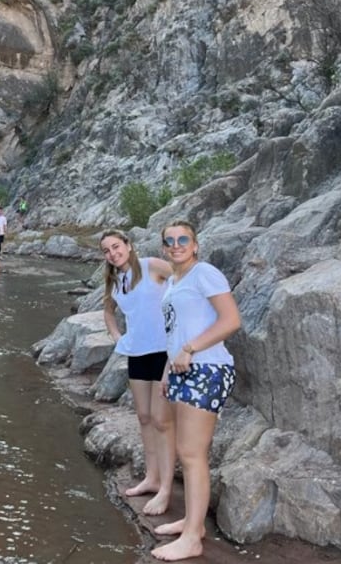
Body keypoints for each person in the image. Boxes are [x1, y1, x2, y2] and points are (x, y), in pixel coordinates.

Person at [151, 220, 241, 562]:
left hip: (209, 368)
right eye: (169, 241)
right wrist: (166, 371)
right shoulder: (174, 281)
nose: (176, 245)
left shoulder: (205, 273)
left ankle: (192, 538)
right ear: (163, 248)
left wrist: (190, 349)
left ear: (195, 244)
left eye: (183, 239)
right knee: (186, 451)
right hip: (182, 371)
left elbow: (231, 319)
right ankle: (192, 523)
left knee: (191, 454)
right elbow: (174, 332)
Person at [100, 229, 175, 516]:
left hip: (164, 352)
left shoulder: (152, 266)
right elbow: (109, 312)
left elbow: (182, 281)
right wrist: (117, 336)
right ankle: (152, 477)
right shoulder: (114, 281)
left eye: (116, 246)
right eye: (107, 250)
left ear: (129, 246)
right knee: (144, 417)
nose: (113, 253)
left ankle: (166, 488)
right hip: (137, 353)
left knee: (161, 420)